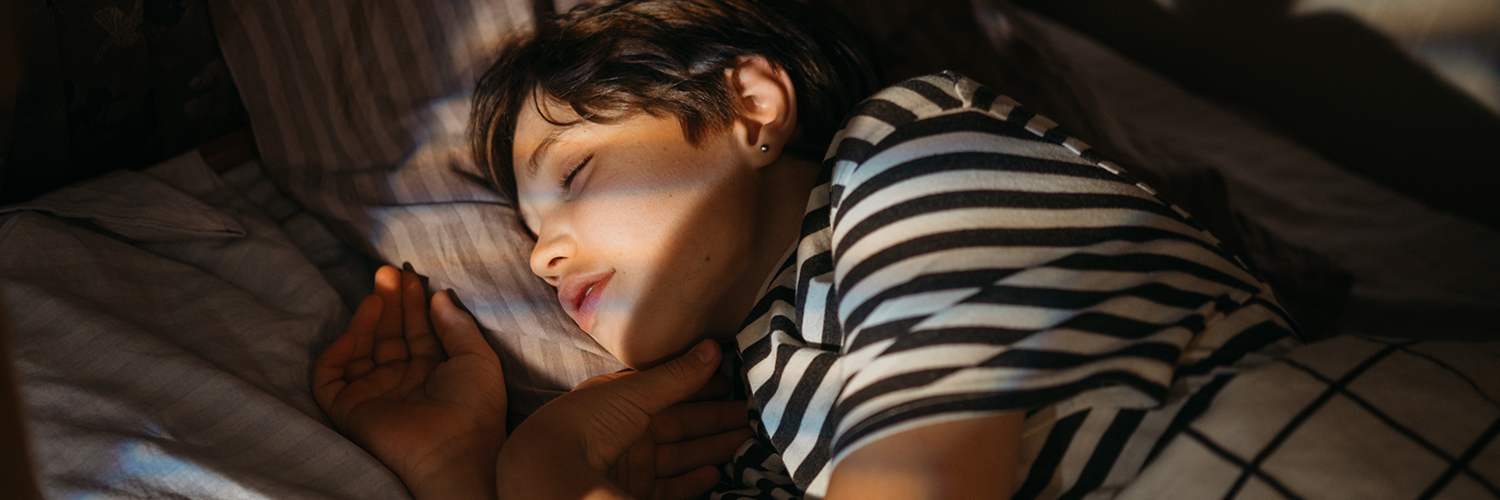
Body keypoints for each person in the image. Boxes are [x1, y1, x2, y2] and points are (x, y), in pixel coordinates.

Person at [312, 0, 1300, 498]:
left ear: (750, 105)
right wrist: (484, 468)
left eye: (573, 177)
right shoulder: (765, 425)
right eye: (527, 235)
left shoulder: (915, 149)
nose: (542, 257)